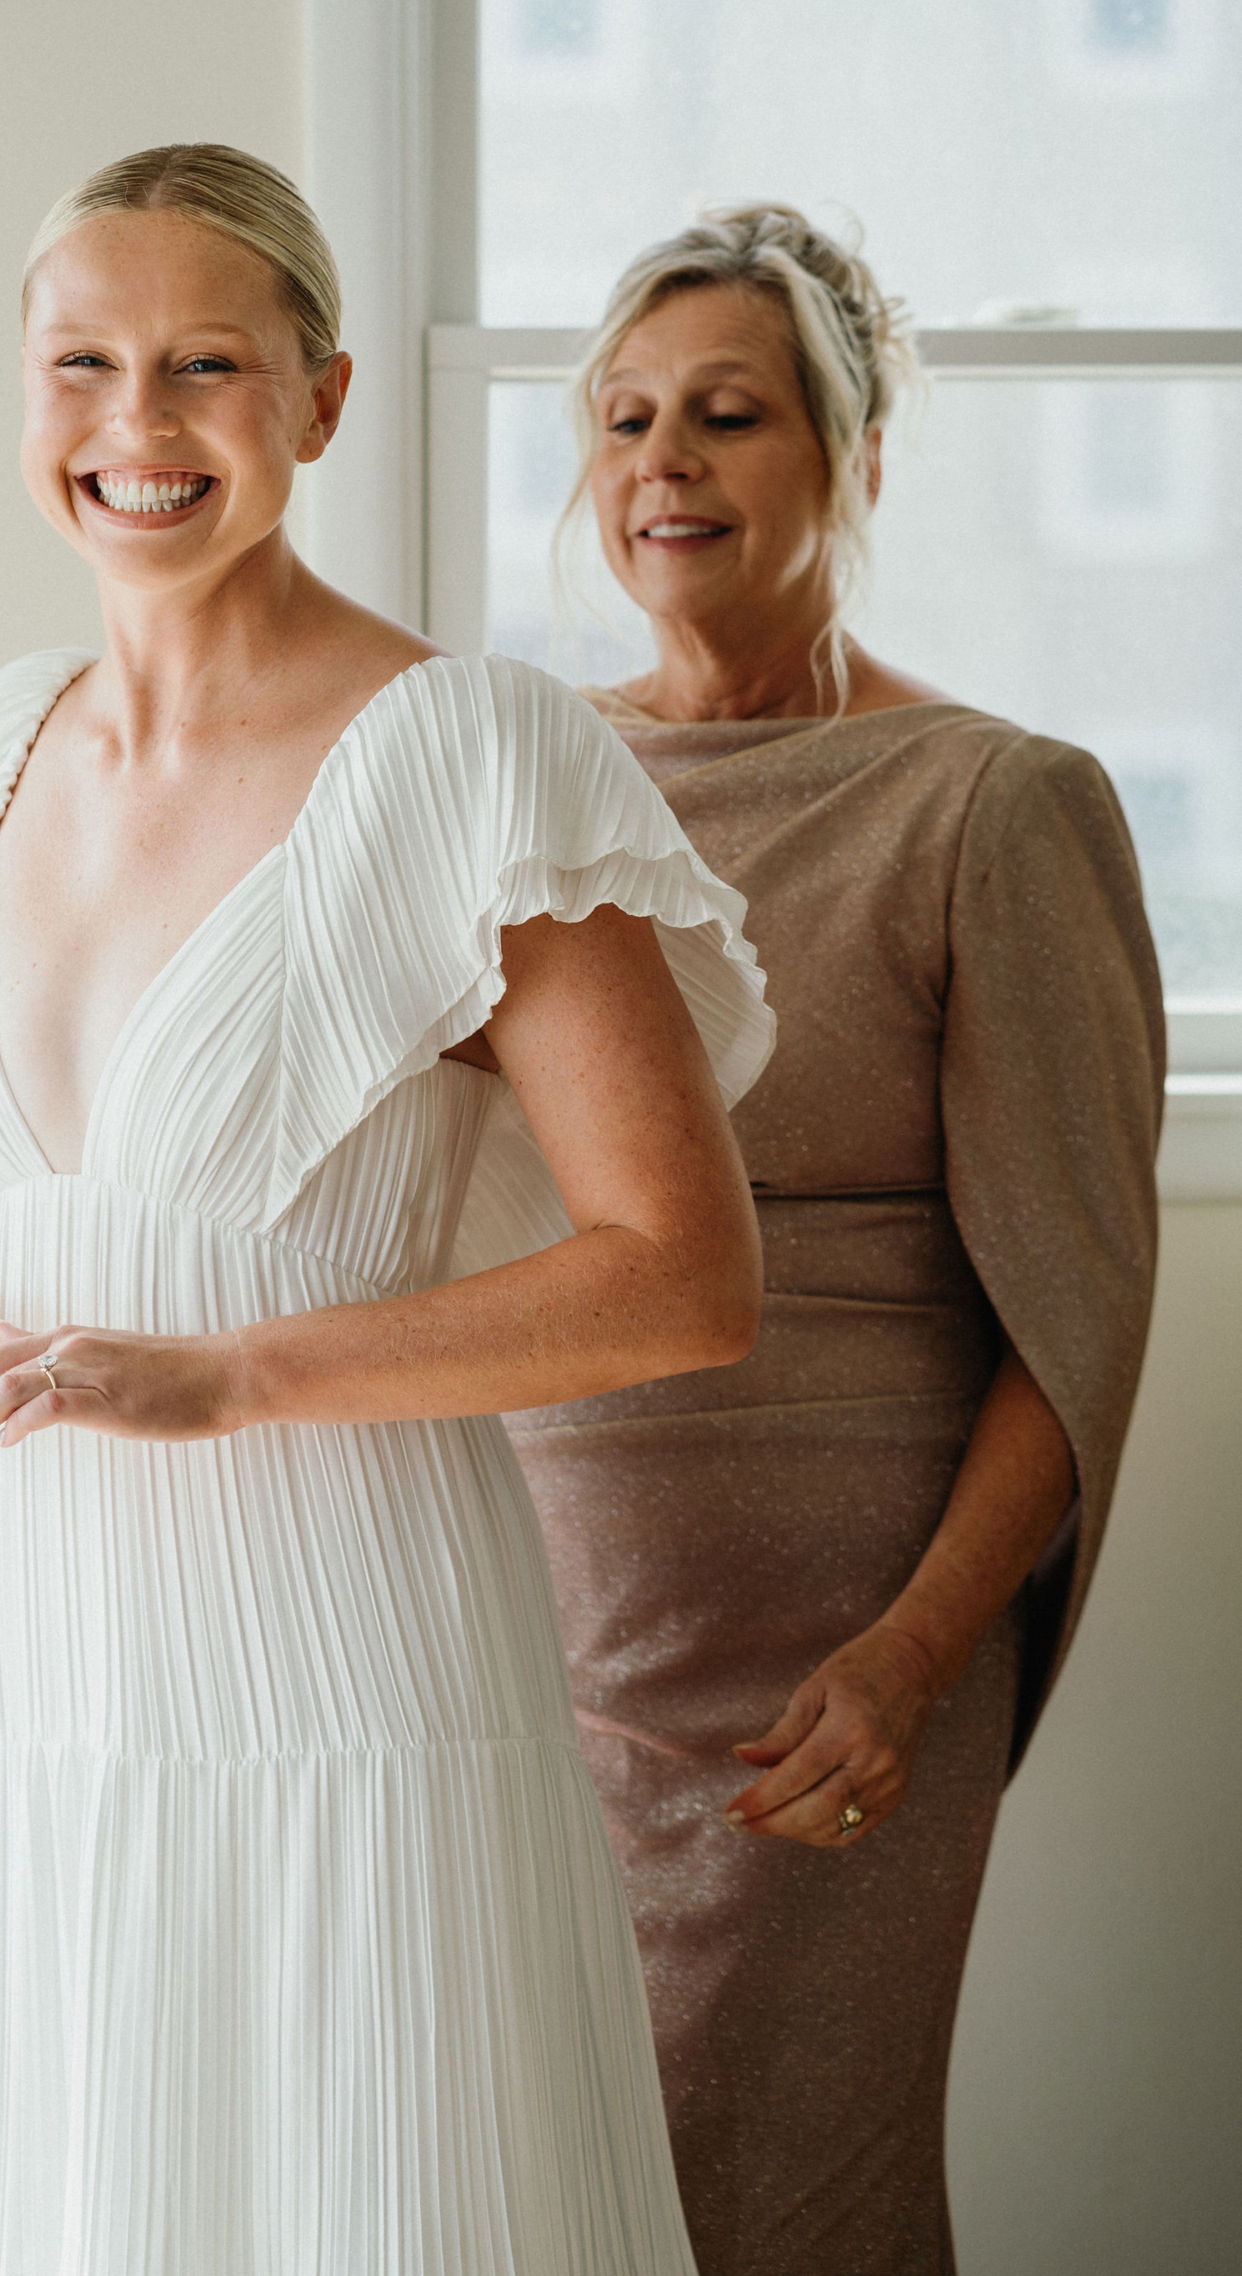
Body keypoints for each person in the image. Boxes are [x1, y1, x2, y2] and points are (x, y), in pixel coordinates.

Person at [0, 143, 776, 2275]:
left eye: (204, 364)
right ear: (23, 395)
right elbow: (40, 1158)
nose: (136, 424)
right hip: (29, 1662)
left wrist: (230, 1370)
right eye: (84, 364)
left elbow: (682, 1278)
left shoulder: (465, 755)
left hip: (347, 1657)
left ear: (317, 401)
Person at [504, 205, 1164, 2276]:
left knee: (785, 2198)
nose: (661, 463)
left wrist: (904, 1658)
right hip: (512, 1641)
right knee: (514, 2186)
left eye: (725, 414)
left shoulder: (991, 802)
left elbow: (1072, 1314)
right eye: (620, 419)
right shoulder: (512, 785)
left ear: (854, 458)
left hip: (824, 1682)